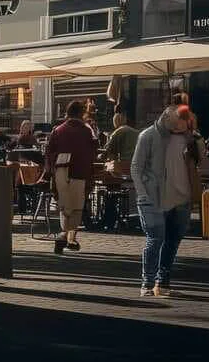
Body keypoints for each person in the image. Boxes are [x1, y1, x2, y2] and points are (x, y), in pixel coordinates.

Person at [131, 95, 203, 297]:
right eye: (180, 120)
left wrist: (196, 139)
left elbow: (201, 161)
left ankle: (162, 283)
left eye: (187, 121)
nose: (182, 125)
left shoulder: (190, 139)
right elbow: (136, 167)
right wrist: (143, 194)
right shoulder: (148, 135)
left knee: (173, 240)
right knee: (155, 238)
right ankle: (147, 283)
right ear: (167, 118)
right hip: (154, 196)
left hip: (182, 197)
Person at [43, 100, 100, 255]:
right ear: (82, 113)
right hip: (79, 171)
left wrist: (51, 170)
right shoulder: (86, 130)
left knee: (64, 205)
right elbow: (94, 150)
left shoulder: (58, 130)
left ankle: (67, 237)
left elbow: (49, 151)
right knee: (76, 207)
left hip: (61, 170)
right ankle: (66, 237)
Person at [101, 112, 140, 179]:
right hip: (136, 163)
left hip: (124, 165)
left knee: (107, 166)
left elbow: (108, 150)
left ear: (115, 122)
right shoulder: (135, 132)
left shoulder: (117, 132)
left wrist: (101, 156)